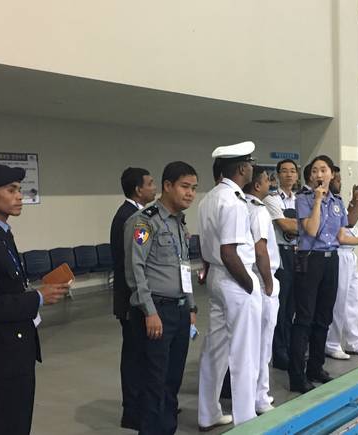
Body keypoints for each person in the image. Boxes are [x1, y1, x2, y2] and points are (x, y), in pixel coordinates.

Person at [0, 164, 70, 435]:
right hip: (0, 352)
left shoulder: (0, 233)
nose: (19, 197)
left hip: (16, 349)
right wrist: (36, 298)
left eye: (19, 190)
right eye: (11, 190)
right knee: (2, 423)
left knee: (17, 421)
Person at [289, 155, 358, 393]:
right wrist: (317, 200)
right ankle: (297, 376)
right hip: (310, 260)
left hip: (330, 260)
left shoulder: (336, 201)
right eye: (314, 171)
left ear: (331, 174)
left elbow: (342, 236)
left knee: (324, 316)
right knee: (304, 319)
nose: (319, 174)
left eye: (323, 170)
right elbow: (311, 230)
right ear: (310, 176)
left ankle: (316, 368)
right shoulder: (304, 199)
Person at [124, 161, 199, 435]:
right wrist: (149, 311)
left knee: (172, 381)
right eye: (185, 186)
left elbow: (183, 266)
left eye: (194, 188)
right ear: (167, 186)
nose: (190, 193)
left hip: (179, 311)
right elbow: (135, 269)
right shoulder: (145, 221)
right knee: (153, 382)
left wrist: (191, 306)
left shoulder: (179, 222)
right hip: (157, 311)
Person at [197, 141, 262, 429]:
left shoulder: (208, 198)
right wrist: (250, 285)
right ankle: (246, 419)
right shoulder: (234, 201)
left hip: (216, 278)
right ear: (242, 169)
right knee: (244, 352)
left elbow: (206, 246)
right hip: (235, 279)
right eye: (250, 164)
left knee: (215, 349)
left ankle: (208, 413)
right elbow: (229, 251)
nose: (252, 168)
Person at [109, 167, 156, 430]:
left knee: (143, 354)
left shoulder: (137, 214)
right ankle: (133, 410)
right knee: (134, 356)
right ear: (138, 189)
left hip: (135, 297)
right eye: (150, 184)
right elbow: (131, 263)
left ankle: (146, 404)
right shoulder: (129, 217)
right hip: (131, 300)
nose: (154, 188)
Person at [325, 168, 358, 360]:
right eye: (337, 179)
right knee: (338, 302)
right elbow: (348, 224)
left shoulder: (338, 201)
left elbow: (349, 219)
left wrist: (356, 200)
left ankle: (354, 341)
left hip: (349, 256)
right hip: (337, 254)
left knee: (352, 302)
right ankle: (332, 343)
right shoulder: (325, 201)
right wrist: (357, 201)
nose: (339, 183)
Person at [244, 166, 280, 414]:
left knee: (251, 343)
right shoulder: (258, 210)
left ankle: (254, 394)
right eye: (267, 180)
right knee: (263, 343)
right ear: (257, 185)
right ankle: (260, 397)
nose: (270, 183)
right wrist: (269, 282)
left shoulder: (241, 206)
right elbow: (261, 250)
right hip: (261, 278)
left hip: (247, 278)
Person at [263, 159, 298, 370]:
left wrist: (299, 224)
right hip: (281, 253)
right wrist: (307, 224)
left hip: (298, 253)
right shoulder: (271, 199)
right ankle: (279, 352)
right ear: (277, 175)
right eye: (284, 171)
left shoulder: (299, 199)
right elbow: (284, 225)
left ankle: (291, 347)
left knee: (293, 305)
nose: (289, 174)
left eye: (292, 171)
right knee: (281, 306)